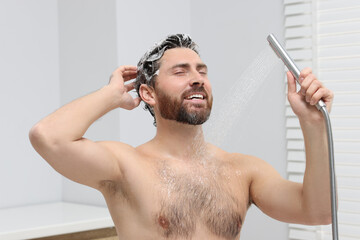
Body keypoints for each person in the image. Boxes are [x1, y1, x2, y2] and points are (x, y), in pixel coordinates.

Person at [29, 34, 334, 240]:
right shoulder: (126, 166)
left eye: (202, 71)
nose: (197, 78)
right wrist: (111, 95)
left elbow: (318, 211)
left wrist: (313, 124)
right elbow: (48, 137)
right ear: (148, 93)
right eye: (180, 71)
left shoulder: (243, 170)